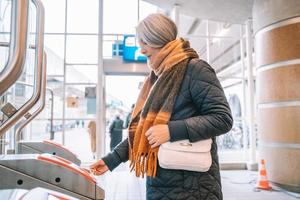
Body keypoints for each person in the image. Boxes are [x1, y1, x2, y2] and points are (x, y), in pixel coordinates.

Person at [90, 13, 233, 200]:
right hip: (161, 180)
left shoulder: (195, 69)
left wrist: (171, 130)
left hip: (193, 186)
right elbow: (146, 131)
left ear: (157, 38)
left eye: (144, 42)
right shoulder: (159, 77)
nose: (141, 50)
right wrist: (112, 160)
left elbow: (222, 118)